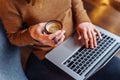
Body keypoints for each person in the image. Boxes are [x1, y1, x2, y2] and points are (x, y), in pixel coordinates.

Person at [0, 0, 120, 80]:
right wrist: (31, 34)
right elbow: (13, 37)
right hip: (48, 54)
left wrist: (83, 20)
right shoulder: (8, 3)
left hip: (79, 37)